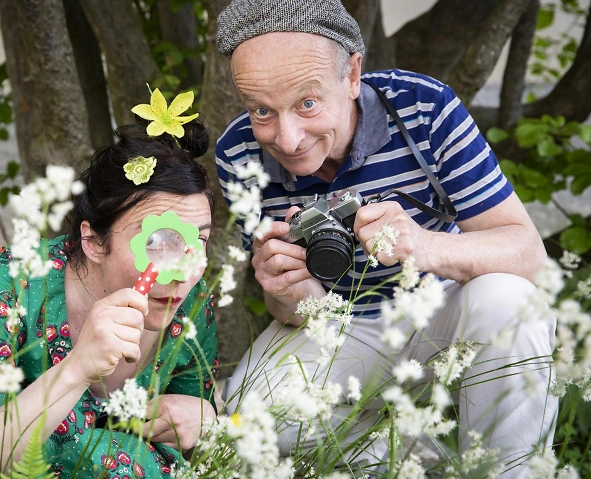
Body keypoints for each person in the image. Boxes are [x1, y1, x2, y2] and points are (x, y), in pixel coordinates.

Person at [214, 0, 556, 474]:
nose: (287, 139)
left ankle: (509, 470)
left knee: (511, 299)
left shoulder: (425, 108)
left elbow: (530, 257)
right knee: (248, 416)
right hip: (340, 324)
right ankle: (419, 461)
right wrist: (290, 290)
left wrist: (424, 245)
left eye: (307, 103)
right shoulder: (239, 152)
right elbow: (290, 312)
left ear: (353, 75)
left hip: (444, 310)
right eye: (262, 110)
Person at [0, 120, 219, 478]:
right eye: (157, 243)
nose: (185, 273)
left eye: (197, 241)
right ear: (93, 242)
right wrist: (76, 368)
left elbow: (191, 455)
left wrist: (206, 418)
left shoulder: (192, 302)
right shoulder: (11, 284)